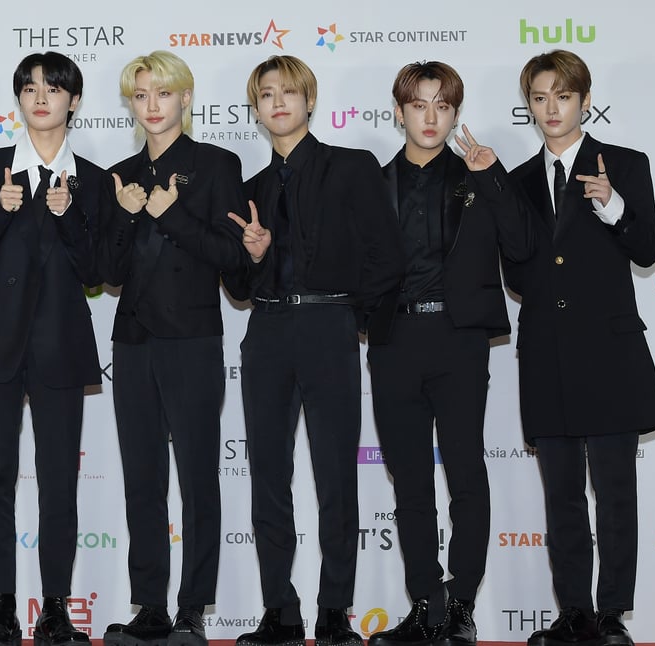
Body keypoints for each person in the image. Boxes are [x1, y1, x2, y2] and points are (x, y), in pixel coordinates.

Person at [222, 55, 404, 646]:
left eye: (289, 92)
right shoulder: (248, 192)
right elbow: (239, 288)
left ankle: (334, 613)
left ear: (309, 99)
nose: (278, 102)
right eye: (266, 94)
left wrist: (349, 315)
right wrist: (252, 256)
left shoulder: (352, 168)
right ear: (255, 109)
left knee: (334, 477)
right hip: (268, 334)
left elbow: (386, 258)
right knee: (268, 477)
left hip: (328, 327)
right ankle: (280, 611)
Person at [365, 61, 533, 646]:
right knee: (409, 481)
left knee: (465, 472)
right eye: (419, 105)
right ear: (399, 112)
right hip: (393, 343)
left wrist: (494, 178)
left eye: (442, 105)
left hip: (459, 341)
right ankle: (427, 606)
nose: (430, 117)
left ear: (456, 112)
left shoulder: (478, 177)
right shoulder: (373, 183)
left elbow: (522, 247)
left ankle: (461, 605)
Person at [503, 49, 655, 646]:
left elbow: (647, 249)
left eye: (563, 97)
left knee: (616, 492)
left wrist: (612, 206)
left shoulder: (624, 164)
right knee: (562, 495)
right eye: (540, 98)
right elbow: (518, 276)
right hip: (546, 354)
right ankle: (572, 614)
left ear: (584, 101)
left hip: (609, 353)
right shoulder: (517, 182)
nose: (552, 108)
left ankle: (611, 616)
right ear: (530, 105)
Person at [0, 51, 108, 646]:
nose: (41, 97)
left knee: (60, 480)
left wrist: (68, 218)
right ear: (18, 99)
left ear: (73, 100)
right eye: (30, 88)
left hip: (60, 348)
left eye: (54, 87)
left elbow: (100, 271)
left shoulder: (93, 177)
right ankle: (3, 609)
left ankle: (58, 610)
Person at [100, 50, 245, 646]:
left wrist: (172, 214)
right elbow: (103, 272)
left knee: (197, 477)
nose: (152, 105)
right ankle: (151, 607)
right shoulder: (120, 172)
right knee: (141, 479)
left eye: (163, 93)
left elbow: (236, 259)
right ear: (131, 104)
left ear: (186, 98)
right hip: (132, 341)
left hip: (191, 339)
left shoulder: (216, 165)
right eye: (141, 95)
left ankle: (192, 610)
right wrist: (131, 216)